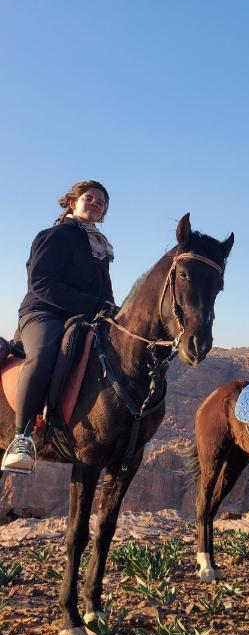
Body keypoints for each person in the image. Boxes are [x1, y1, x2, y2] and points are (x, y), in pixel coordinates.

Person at [1, 180, 117, 475]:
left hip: (83, 318)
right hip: (44, 313)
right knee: (43, 353)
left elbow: (106, 294)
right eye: (90, 198)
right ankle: (23, 438)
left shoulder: (100, 249)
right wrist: (93, 306)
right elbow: (41, 283)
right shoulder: (55, 235)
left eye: (101, 202)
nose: (95, 203)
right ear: (73, 203)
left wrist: (115, 314)